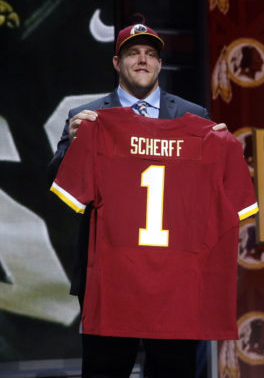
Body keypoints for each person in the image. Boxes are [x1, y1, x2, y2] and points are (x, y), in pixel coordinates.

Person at [48, 22, 225, 378]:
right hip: (109, 276)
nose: (142, 60)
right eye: (133, 53)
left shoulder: (194, 117)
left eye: (150, 54)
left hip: (175, 275)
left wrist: (220, 153)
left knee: (174, 369)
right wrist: (73, 143)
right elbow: (60, 188)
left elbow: (210, 196)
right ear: (117, 62)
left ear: (159, 64)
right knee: (106, 369)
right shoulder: (89, 117)